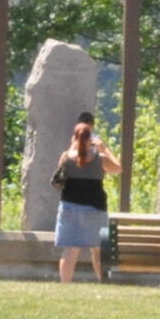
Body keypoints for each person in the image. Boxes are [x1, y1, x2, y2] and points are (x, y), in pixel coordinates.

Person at [54, 119, 120, 283]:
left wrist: (73, 146)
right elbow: (118, 168)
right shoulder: (100, 158)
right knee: (99, 249)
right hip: (95, 208)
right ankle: (104, 281)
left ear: (74, 138)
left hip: (69, 206)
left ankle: (65, 285)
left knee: (71, 249)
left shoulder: (66, 157)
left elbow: (61, 172)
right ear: (91, 139)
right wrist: (104, 149)